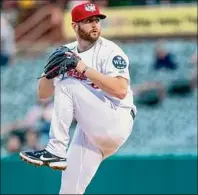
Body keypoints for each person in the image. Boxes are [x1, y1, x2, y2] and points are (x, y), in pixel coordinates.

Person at [19, 2, 136, 194]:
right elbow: (43, 94)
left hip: (116, 118)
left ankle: (56, 149)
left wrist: (83, 68)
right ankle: (56, 151)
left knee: (68, 84)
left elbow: (121, 90)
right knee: (69, 191)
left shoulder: (110, 50)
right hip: (90, 129)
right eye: (88, 21)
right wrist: (50, 73)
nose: (94, 25)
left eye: (97, 20)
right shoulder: (65, 51)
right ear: (74, 26)